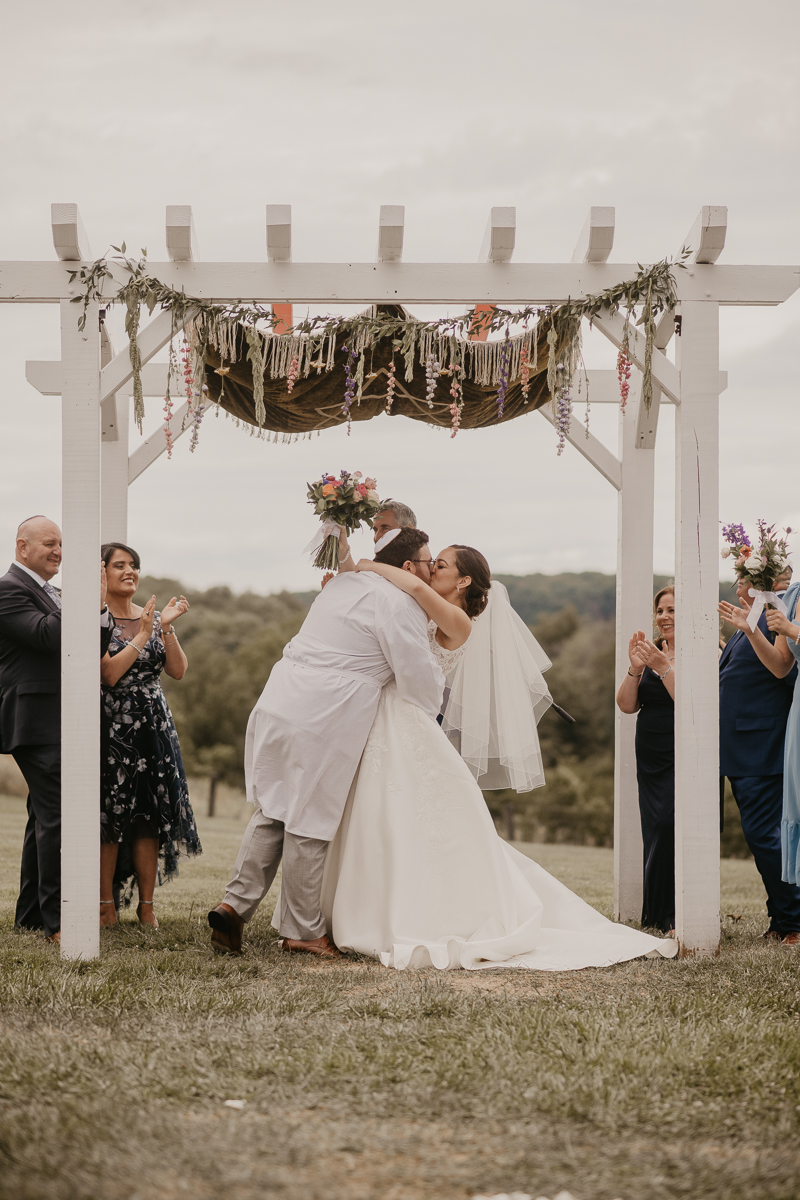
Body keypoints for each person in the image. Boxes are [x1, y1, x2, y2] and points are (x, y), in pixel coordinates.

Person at [318, 538, 677, 971]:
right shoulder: (428, 605)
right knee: (385, 815)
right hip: (387, 719)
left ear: (463, 580)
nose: (433, 568)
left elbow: (412, 589)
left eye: (443, 564)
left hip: (406, 722)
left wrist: (363, 565)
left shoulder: (456, 619)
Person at [207, 527, 444, 959]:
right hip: (325, 713)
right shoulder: (400, 604)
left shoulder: (344, 584)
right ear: (409, 568)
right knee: (310, 821)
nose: (431, 571)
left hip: (280, 698)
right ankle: (304, 931)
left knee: (274, 809)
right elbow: (416, 680)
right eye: (429, 563)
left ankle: (233, 905)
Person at [0, 516, 113, 945]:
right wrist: (86, 603)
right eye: (49, 543)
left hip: (58, 716)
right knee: (58, 816)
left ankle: (30, 917)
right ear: (21, 546)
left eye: (61, 544)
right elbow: (49, 637)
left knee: (41, 819)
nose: (59, 552)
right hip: (34, 717)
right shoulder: (8, 589)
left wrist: (100, 608)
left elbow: (91, 647)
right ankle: (57, 923)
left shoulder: (57, 593)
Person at [99, 542, 200, 929]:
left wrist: (165, 627)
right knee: (111, 814)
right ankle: (106, 904)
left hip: (154, 727)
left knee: (149, 816)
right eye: (120, 565)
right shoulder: (101, 618)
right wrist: (143, 635)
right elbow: (109, 674)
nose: (129, 572)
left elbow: (176, 670)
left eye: (134, 566)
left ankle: (147, 906)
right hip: (115, 726)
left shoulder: (150, 617)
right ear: (103, 573)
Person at [719, 573, 800, 945]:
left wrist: (750, 630)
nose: (737, 585)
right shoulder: (747, 622)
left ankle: (794, 921)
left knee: (766, 837)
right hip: (739, 746)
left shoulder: (775, 616)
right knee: (760, 837)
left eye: (743, 578)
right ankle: (780, 918)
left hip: (762, 744)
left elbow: (782, 668)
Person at [615, 586, 676, 935]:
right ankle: (656, 915)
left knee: (670, 825)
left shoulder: (709, 652)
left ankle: (675, 912)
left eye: (671, 610)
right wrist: (637, 668)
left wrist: (663, 666)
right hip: (650, 755)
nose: (664, 617)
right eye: (660, 611)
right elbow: (626, 705)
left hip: (682, 751)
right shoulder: (653, 653)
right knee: (655, 828)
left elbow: (692, 703)